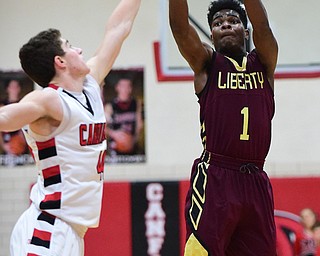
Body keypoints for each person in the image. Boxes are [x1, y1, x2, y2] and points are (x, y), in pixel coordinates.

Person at [0, 0, 141, 255]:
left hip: (71, 233)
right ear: (60, 62)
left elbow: (119, 28)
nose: (79, 49)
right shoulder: (49, 100)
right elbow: (6, 117)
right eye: (70, 46)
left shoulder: (89, 86)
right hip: (46, 229)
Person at [169, 0, 278, 254]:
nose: (226, 25)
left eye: (233, 21)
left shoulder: (264, 62)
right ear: (212, 35)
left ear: (246, 31)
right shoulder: (207, 64)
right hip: (216, 176)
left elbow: (264, 27)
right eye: (218, 24)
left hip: (255, 180)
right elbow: (179, 28)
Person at [104, 77, 143, 157]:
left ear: (131, 89)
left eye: (128, 86)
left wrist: (134, 139)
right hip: (115, 147)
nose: (125, 89)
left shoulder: (136, 103)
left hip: (132, 146)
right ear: (117, 88)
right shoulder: (110, 106)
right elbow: (103, 128)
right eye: (122, 86)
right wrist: (114, 134)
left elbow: (139, 124)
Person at [0, 79, 28, 162]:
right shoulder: (2, 105)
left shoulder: (23, 104)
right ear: (7, 89)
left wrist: (23, 139)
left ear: (19, 88)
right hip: (6, 142)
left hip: (21, 141)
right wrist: (3, 145)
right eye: (12, 87)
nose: (14, 89)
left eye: (16, 87)